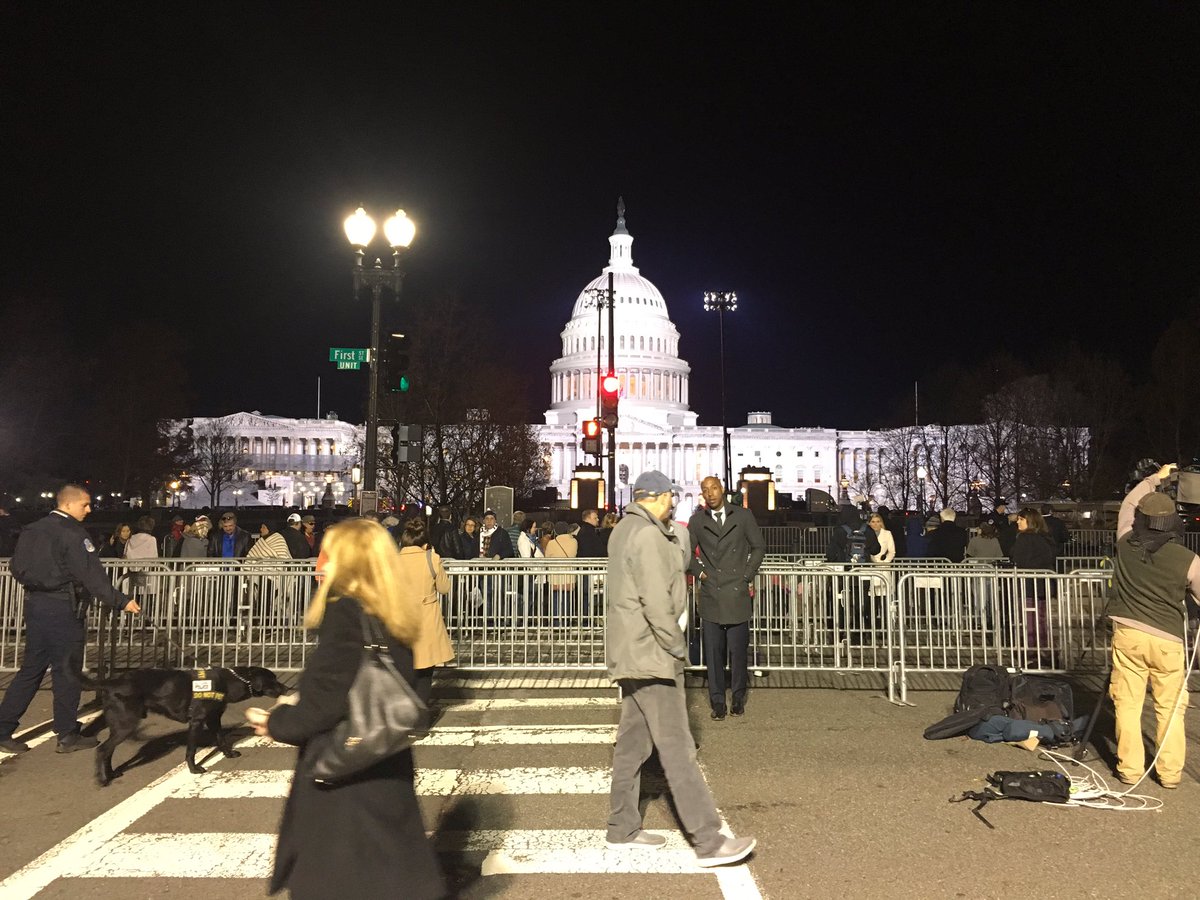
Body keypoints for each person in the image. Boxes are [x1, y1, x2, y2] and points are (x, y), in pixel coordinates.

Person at [244, 517, 446, 899]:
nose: (321, 561)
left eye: (328, 552)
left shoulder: (346, 612)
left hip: (345, 776)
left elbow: (324, 705)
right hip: (384, 763)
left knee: (337, 879)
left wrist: (277, 721)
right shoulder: (392, 612)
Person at [606, 470, 756, 866]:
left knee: (633, 745)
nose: (676, 502)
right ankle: (708, 840)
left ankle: (621, 825)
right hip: (653, 653)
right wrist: (676, 649)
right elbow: (657, 602)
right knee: (677, 748)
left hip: (630, 652)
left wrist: (676, 535)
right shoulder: (649, 536)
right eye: (671, 496)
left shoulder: (625, 530)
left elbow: (677, 564)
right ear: (657, 497)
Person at [0, 485, 140, 754]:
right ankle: (66, 734)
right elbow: (91, 575)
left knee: (31, 669)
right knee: (67, 671)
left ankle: (4, 728)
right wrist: (122, 601)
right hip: (64, 607)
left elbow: (17, 567)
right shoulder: (72, 533)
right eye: (85, 505)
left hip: (36, 604)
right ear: (68, 505)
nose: (88, 510)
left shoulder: (33, 529)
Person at [1107, 464, 1200, 788]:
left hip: (1128, 634)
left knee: (1127, 704)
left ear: (1141, 520)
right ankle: (1169, 773)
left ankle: (1130, 769)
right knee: (1170, 707)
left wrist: (1154, 478)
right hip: (1167, 641)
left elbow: (1129, 504)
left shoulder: (1125, 541)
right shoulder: (1187, 559)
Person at [687, 476, 766, 719]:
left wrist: (746, 574)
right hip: (712, 591)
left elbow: (758, 546)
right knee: (713, 653)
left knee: (738, 652)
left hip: (736, 591)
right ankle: (718, 701)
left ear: (722, 489)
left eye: (713, 488)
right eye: (705, 490)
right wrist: (701, 574)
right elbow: (686, 553)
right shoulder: (697, 521)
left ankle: (738, 698)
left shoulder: (742, 516)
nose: (710, 493)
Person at [396, 516, 453, 705]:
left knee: (404, 665)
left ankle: (403, 711)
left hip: (400, 617)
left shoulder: (394, 560)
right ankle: (420, 716)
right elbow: (444, 588)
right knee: (425, 670)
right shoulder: (431, 558)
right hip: (426, 616)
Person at [1010, 507, 1058, 665]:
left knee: (1030, 619)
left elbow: (1018, 558)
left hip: (1029, 585)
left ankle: (1032, 654)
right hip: (1043, 585)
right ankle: (1045, 650)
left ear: (1030, 521)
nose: (1018, 521)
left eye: (1021, 519)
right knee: (1041, 619)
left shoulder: (1024, 539)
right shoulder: (1046, 538)